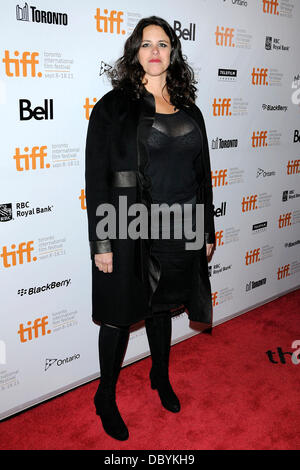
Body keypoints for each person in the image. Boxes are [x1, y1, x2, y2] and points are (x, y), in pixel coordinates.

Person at [85, 16, 215, 441]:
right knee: (119, 315)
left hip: (182, 224)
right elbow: (97, 176)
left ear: (172, 52)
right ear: (134, 52)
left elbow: (203, 174)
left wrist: (207, 230)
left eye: (163, 43)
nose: (155, 51)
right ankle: (105, 396)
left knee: (166, 306)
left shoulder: (189, 107)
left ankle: (160, 376)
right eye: (146, 44)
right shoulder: (114, 106)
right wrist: (101, 240)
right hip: (129, 226)